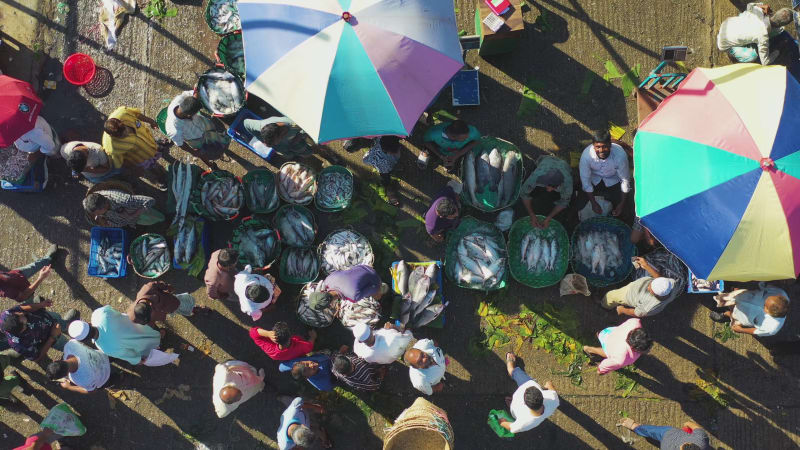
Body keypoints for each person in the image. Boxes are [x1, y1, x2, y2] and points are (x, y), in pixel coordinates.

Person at [102, 106, 168, 189]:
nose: (126, 133)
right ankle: (157, 178)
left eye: (124, 129)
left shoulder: (123, 112)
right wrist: (134, 168)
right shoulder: (111, 148)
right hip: (141, 158)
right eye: (121, 135)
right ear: (112, 136)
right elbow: (121, 162)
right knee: (152, 167)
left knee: (156, 146)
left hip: (149, 140)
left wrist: (151, 121)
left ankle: (157, 145)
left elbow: (137, 115)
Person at [70, 306, 161, 365]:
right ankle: (161, 333)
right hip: (139, 325)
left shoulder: (105, 348)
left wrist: (138, 361)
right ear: (87, 323)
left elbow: (129, 355)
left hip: (142, 345)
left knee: (153, 344)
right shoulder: (98, 314)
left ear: (85, 340)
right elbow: (114, 311)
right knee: (153, 332)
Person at [165, 91, 230, 169]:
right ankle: (211, 165)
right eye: (195, 113)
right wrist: (194, 152)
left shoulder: (179, 99)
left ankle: (222, 146)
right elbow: (181, 144)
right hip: (196, 139)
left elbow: (194, 92)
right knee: (204, 152)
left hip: (203, 124)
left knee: (216, 137)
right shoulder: (173, 129)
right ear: (189, 116)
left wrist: (198, 92)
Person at [498, 352, 559, 434]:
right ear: (542, 396)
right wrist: (549, 385)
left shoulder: (524, 422)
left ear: (524, 403)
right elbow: (551, 389)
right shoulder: (553, 400)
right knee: (513, 406)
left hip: (523, 389)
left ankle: (511, 369)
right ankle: (511, 403)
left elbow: (511, 428)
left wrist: (501, 422)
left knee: (513, 371)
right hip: (517, 409)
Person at [717, 3, 794, 64]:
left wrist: (760, 5)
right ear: (781, 25)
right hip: (724, 44)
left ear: (776, 13)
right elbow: (765, 62)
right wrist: (778, 50)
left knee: (745, 15)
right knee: (753, 55)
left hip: (727, 25)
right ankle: (731, 54)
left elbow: (749, 5)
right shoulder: (763, 36)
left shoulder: (759, 12)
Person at [578, 130, 632, 217]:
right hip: (594, 179)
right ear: (593, 146)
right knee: (579, 204)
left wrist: (621, 204)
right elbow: (585, 181)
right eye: (598, 147)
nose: (601, 150)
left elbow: (625, 180)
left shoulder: (620, 156)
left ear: (610, 145)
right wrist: (593, 203)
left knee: (624, 211)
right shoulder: (586, 156)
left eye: (605, 146)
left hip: (614, 181)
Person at [1, 301, 78, 361]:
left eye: (21, 315)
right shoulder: (19, 345)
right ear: (20, 332)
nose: (23, 314)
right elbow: (37, 358)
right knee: (69, 346)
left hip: (47, 317)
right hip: (52, 337)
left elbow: (22, 308)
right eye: (26, 324)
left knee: (61, 321)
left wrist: (41, 305)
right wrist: (53, 337)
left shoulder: (6, 315)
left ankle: (68, 326)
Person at [600, 263, 679, 318]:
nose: (648, 287)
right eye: (650, 284)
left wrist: (622, 310)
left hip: (628, 295)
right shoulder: (672, 284)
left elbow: (636, 313)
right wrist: (646, 266)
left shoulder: (648, 308)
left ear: (656, 295)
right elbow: (659, 279)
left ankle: (604, 306)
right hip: (634, 288)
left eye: (650, 290)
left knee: (610, 296)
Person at [710, 284, 789, 336]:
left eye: (764, 305)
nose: (763, 302)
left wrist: (741, 330)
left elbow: (757, 331)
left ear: (768, 313)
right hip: (745, 296)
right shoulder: (780, 292)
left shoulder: (771, 328)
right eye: (766, 297)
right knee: (733, 295)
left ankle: (726, 314)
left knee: (735, 315)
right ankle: (731, 292)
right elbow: (764, 286)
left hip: (744, 316)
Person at [520, 155, 573, 229]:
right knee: (531, 188)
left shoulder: (567, 184)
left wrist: (548, 218)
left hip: (564, 166)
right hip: (546, 160)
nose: (549, 190)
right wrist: (532, 214)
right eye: (546, 185)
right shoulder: (537, 175)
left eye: (553, 187)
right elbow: (523, 193)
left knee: (563, 197)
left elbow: (564, 202)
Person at [583, 318, 652, 375]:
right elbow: (605, 365)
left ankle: (598, 334)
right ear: (634, 348)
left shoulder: (635, 322)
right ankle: (589, 349)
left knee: (601, 334)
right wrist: (601, 371)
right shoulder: (622, 358)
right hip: (608, 346)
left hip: (608, 332)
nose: (649, 350)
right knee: (606, 353)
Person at [127, 281, 205, 330]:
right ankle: (186, 311)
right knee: (176, 310)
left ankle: (192, 308)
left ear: (150, 304)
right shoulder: (133, 315)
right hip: (165, 311)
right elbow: (147, 323)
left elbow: (159, 284)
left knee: (183, 304)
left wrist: (168, 287)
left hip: (170, 302)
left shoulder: (149, 288)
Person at [45, 338, 112, 394]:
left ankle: (119, 378)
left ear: (65, 376)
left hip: (105, 376)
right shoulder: (69, 346)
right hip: (103, 355)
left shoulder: (79, 379)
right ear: (55, 360)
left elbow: (92, 391)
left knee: (111, 381)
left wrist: (69, 387)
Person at [83, 189, 164, 228]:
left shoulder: (124, 200)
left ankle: (164, 219)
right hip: (127, 221)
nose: (96, 215)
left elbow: (150, 201)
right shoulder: (90, 200)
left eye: (98, 213)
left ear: (104, 206)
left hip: (140, 215)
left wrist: (132, 215)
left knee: (155, 218)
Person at [243, 115, 315, 158]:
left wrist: (299, 137)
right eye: (274, 143)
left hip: (294, 139)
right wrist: (261, 139)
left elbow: (306, 129)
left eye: (277, 141)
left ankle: (313, 151)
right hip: (283, 145)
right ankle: (292, 155)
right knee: (289, 155)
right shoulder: (260, 126)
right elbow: (246, 123)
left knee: (306, 152)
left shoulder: (292, 124)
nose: (276, 143)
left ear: (281, 133)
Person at [618, 417, 711, 449]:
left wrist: (686, 426)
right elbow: (693, 426)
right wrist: (687, 425)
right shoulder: (701, 439)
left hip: (666, 434)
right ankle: (636, 427)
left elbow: (690, 424)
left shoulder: (702, 440)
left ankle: (637, 428)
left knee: (651, 431)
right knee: (652, 431)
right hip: (667, 434)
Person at [317, 264, 387, 304]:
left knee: (377, 296)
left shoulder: (353, 297)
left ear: (331, 302)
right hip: (362, 266)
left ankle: (384, 286)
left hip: (373, 276)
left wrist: (378, 292)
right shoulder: (328, 280)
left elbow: (373, 287)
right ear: (322, 291)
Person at [363, 136, 402, 205]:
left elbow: (365, 160)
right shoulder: (393, 156)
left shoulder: (380, 139)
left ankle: (389, 188)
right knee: (386, 177)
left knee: (386, 177)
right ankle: (389, 188)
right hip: (385, 169)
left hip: (382, 165)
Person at [249, 322, 316, 361]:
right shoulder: (301, 345)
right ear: (290, 336)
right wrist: (313, 337)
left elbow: (252, 332)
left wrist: (267, 333)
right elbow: (309, 347)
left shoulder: (273, 353)